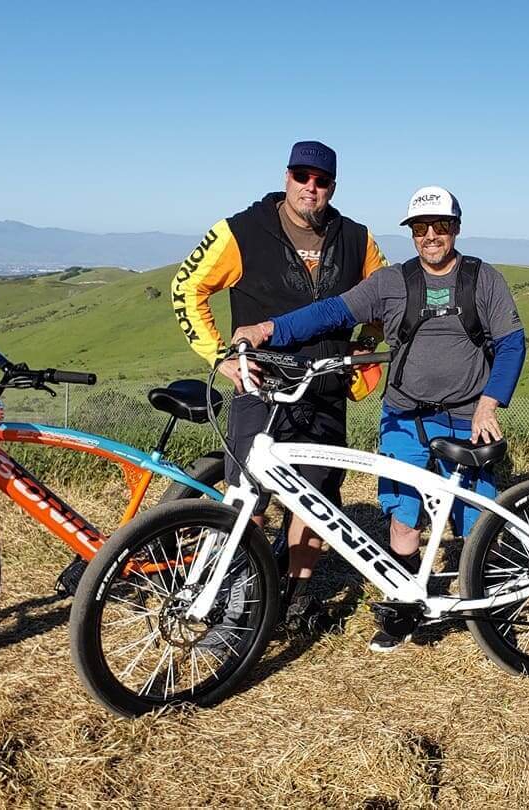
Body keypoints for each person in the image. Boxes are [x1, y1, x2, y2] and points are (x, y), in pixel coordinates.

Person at [231, 185, 527, 651]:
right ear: (411, 233)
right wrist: (270, 329)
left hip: (468, 415)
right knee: (402, 519)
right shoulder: (392, 282)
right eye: (421, 228)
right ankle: (405, 607)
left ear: (456, 228)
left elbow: (512, 342)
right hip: (405, 417)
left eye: (441, 226)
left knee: (473, 521)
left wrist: (491, 402)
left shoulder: (482, 280)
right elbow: (330, 313)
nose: (432, 236)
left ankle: (487, 608)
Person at [171, 140, 389, 631]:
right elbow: (187, 287)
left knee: (316, 499)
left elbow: (386, 297)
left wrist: (366, 350)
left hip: (326, 386)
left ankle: (295, 595)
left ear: (333, 186)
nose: (310, 188)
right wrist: (219, 355)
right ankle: (237, 593)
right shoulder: (241, 230)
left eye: (322, 180)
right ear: (286, 176)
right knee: (247, 493)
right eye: (302, 176)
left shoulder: (358, 238)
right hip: (261, 385)